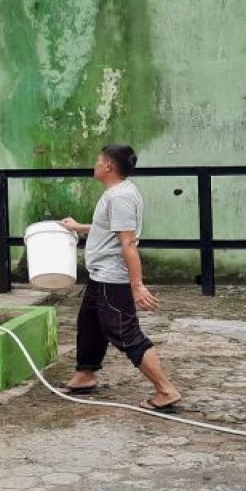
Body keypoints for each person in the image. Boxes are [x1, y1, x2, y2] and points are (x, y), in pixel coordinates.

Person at [59, 144, 182, 412]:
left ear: (108, 167)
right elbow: (110, 227)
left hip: (111, 278)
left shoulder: (119, 197)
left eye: (97, 161)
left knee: (124, 333)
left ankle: (165, 390)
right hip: (99, 275)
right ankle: (85, 374)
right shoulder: (121, 192)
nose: (94, 165)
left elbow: (128, 244)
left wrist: (136, 285)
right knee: (89, 323)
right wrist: (78, 227)